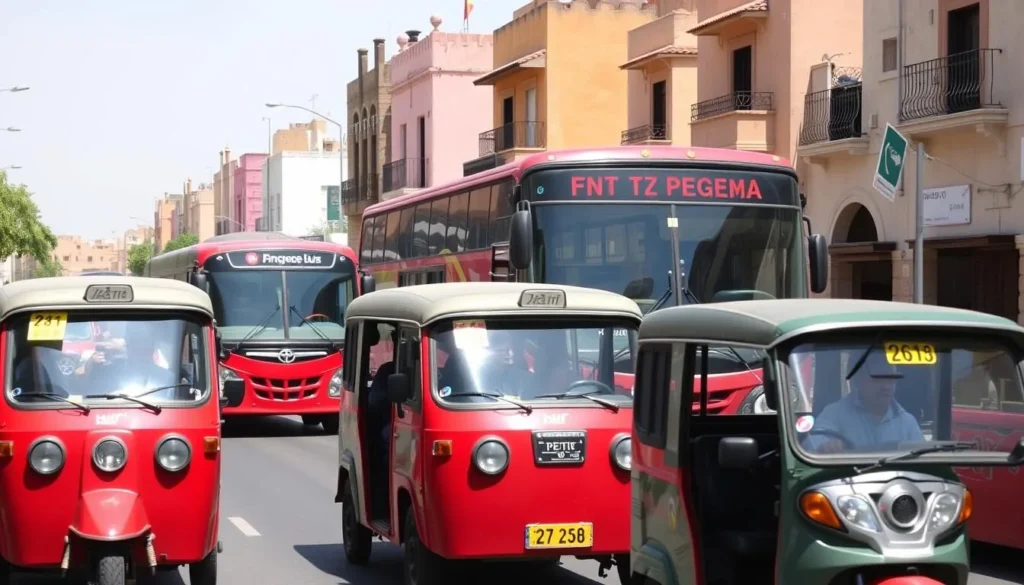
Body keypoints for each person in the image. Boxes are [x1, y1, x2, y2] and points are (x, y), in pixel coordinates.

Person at [807, 350, 924, 453]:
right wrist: (826, 447)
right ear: (858, 379)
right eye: (878, 379)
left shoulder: (908, 423)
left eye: (891, 379)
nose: (886, 386)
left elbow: (922, 458)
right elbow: (811, 448)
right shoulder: (834, 414)